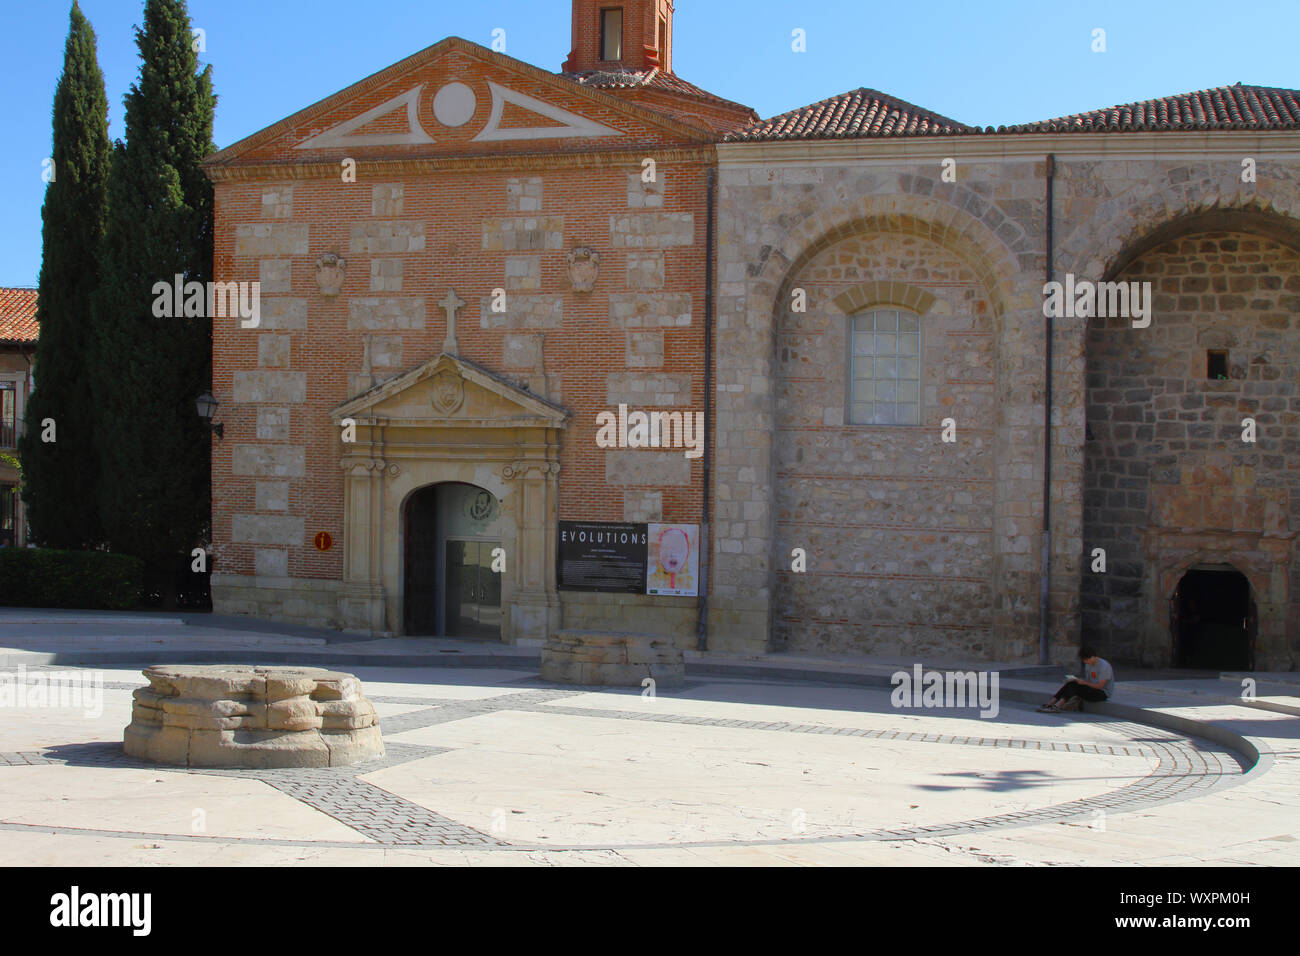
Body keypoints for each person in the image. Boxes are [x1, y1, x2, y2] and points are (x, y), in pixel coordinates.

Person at [1038, 645, 1115, 713]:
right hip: (1092, 689)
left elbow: (1100, 686)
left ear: (1091, 657)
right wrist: (1079, 680)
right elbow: (1089, 680)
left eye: (1086, 660)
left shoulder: (1104, 666)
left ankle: (1057, 706)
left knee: (1075, 686)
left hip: (1102, 694)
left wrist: (1084, 683)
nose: (1085, 663)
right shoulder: (1089, 665)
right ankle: (1050, 704)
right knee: (1071, 683)